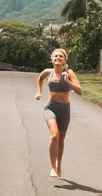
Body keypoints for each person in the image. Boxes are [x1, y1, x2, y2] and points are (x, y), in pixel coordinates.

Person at [35, 48, 82, 178]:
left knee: (61, 140)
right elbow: (40, 78)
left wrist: (68, 81)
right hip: (50, 107)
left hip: (65, 110)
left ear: (64, 60)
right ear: (52, 59)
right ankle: (53, 167)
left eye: (61, 56)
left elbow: (80, 91)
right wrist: (39, 92)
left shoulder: (69, 73)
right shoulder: (47, 72)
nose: (58, 58)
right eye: (55, 56)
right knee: (54, 136)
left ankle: (59, 164)